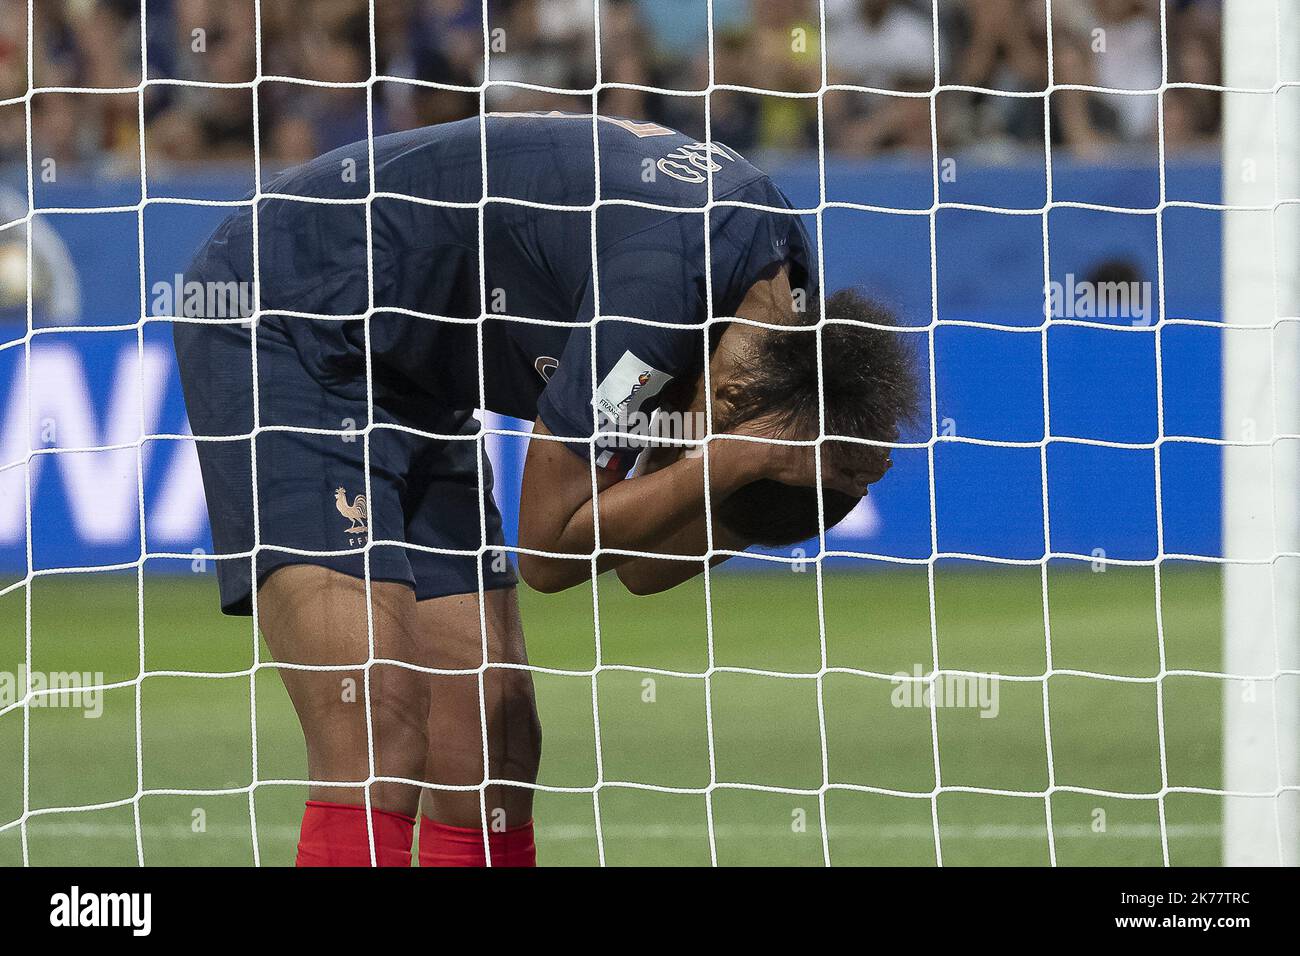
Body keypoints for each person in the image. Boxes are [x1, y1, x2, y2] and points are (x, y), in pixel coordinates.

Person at [172, 111, 918, 867]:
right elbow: (550, 549)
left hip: (414, 371)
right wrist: (732, 462)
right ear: (727, 407)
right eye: (720, 441)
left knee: (492, 742)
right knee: (375, 718)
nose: (682, 450)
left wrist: (792, 485)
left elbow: (640, 564)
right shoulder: (649, 324)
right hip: (287, 312)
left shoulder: (786, 320)